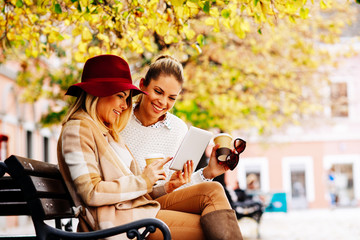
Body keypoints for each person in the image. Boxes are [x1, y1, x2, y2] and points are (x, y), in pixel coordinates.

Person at [57, 54, 243, 240]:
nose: (124, 106)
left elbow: (136, 190)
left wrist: (168, 186)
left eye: (127, 98)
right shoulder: (78, 129)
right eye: (120, 96)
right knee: (212, 228)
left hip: (133, 212)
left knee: (214, 192)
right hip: (117, 222)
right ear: (98, 92)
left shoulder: (105, 131)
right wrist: (144, 180)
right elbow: (91, 193)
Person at [120, 55, 228, 190]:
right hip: (126, 201)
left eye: (171, 98)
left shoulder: (178, 129)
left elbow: (178, 187)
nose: (163, 102)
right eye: (158, 92)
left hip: (163, 201)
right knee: (214, 192)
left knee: (215, 189)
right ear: (142, 85)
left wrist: (209, 172)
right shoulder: (119, 117)